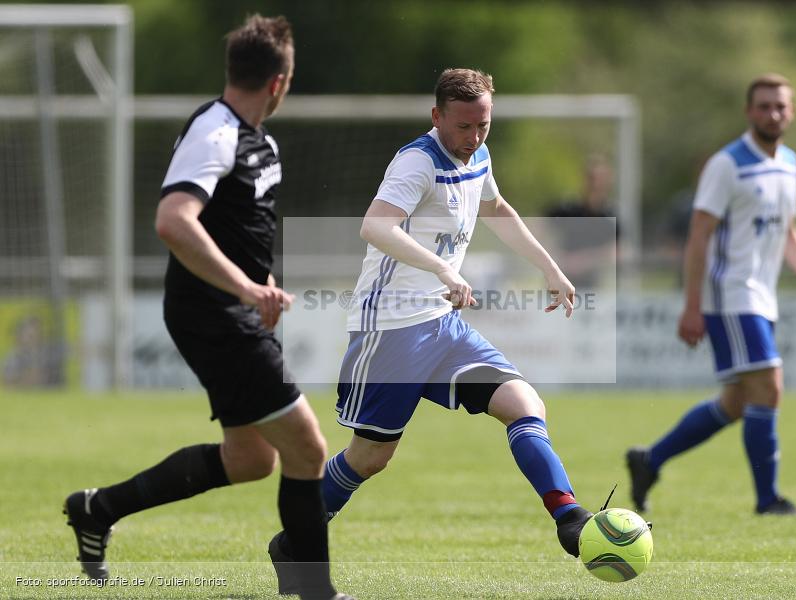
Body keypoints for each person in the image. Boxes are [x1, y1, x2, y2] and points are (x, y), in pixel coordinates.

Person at [63, 15, 352, 600]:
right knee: (308, 447)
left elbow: (235, 228)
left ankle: (98, 508)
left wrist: (261, 282)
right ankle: (313, 591)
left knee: (250, 460)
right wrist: (246, 291)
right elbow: (174, 220)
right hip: (212, 314)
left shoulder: (258, 142)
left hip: (234, 311)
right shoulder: (217, 133)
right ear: (279, 81)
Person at [296, 67, 597, 558]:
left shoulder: (477, 153)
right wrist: (443, 270)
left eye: (484, 125)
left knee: (524, 406)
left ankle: (568, 514)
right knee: (370, 457)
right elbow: (375, 226)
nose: (474, 136)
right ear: (437, 116)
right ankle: (299, 533)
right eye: (463, 126)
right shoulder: (416, 163)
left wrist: (549, 267)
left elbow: (496, 209)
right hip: (391, 330)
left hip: (443, 327)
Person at [626, 73, 796, 516]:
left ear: (791, 112)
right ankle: (769, 501)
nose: (773, 113)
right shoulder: (727, 164)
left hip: (761, 297)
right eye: (763, 106)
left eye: (780, 106)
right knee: (769, 386)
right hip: (730, 295)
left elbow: (789, 233)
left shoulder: (790, 164)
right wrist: (692, 306)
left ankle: (649, 460)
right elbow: (698, 236)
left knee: (737, 402)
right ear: (749, 112)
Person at [544, 154, 619, 289]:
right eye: (592, 179)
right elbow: (540, 230)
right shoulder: (568, 209)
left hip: (597, 285)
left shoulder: (610, 215)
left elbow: (617, 250)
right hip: (562, 280)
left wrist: (585, 260)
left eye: (600, 179)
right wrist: (556, 256)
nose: (595, 184)